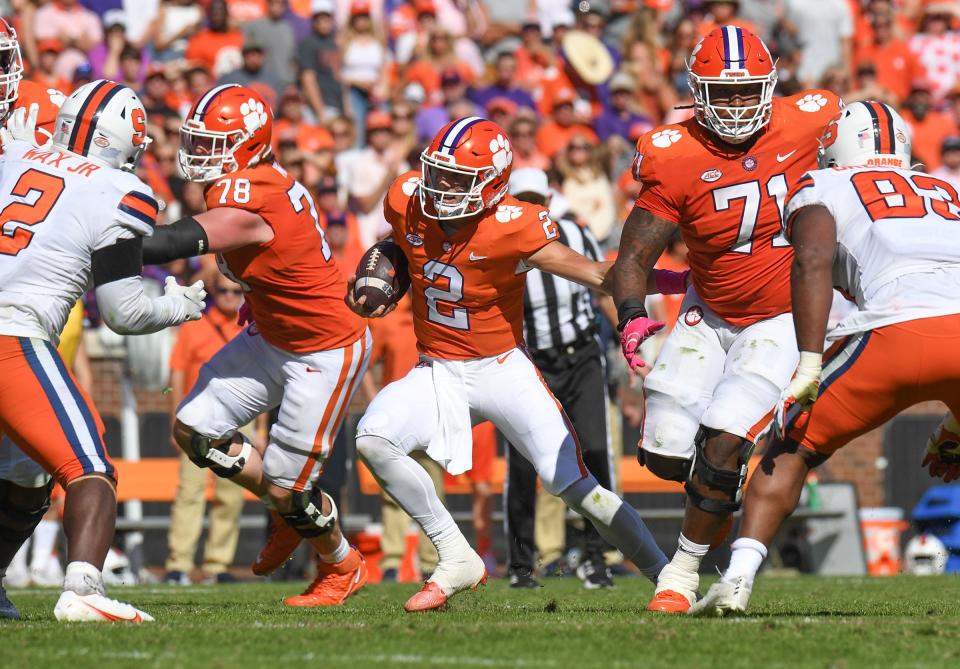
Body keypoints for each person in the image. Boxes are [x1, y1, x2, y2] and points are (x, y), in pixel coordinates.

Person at [351, 116, 669, 613]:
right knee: (373, 437)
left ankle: (665, 575)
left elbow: (596, 274)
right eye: (438, 173)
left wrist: (677, 282)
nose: (441, 187)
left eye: (458, 179)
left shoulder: (515, 223)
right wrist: (383, 270)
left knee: (575, 484)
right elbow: (401, 243)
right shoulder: (406, 198)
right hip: (438, 369)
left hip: (502, 369)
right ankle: (456, 555)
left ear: (494, 184)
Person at [692, 101, 960, 614]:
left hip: (895, 328)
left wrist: (809, 361)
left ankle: (738, 579)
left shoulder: (824, 184)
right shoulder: (947, 190)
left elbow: (812, 259)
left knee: (790, 445)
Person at [611, 27, 841, 614]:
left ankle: (682, 573)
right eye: (723, 92)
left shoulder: (811, 118)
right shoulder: (672, 150)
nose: (736, 105)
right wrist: (633, 317)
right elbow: (635, 255)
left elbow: (869, 152)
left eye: (746, 92)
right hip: (708, 312)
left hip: (782, 317)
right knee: (663, 452)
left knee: (721, 441)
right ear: (697, 90)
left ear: (770, 86)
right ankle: (717, 485)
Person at [142, 84, 371, 608]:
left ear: (248, 144)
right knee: (194, 430)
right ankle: (288, 508)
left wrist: (104, 239)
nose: (200, 155)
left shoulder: (252, 193)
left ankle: (341, 563)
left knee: (287, 490)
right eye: (197, 142)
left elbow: (176, 241)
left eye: (213, 144)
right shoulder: (246, 181)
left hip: (323, 348)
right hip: (272, 333)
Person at [0, 78, 207, 622]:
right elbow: (123, 312)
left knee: (25, 472)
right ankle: (84, 587)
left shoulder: (16, 150)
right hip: (13, 336)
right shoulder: (123, 192)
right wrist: (177, 307)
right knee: (88, 466)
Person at [164, 273, 256, 586]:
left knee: (230, 496)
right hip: (198, 414)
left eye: (236, 291)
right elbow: (176, 373)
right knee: (190, 492)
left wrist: (263, 428)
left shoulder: (249, 325)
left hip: (241, 417)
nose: (230, 297)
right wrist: (175, 418)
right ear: (213, 293)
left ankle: (218, 563)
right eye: (223, 291)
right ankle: (179, 564)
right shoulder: (195, 326)